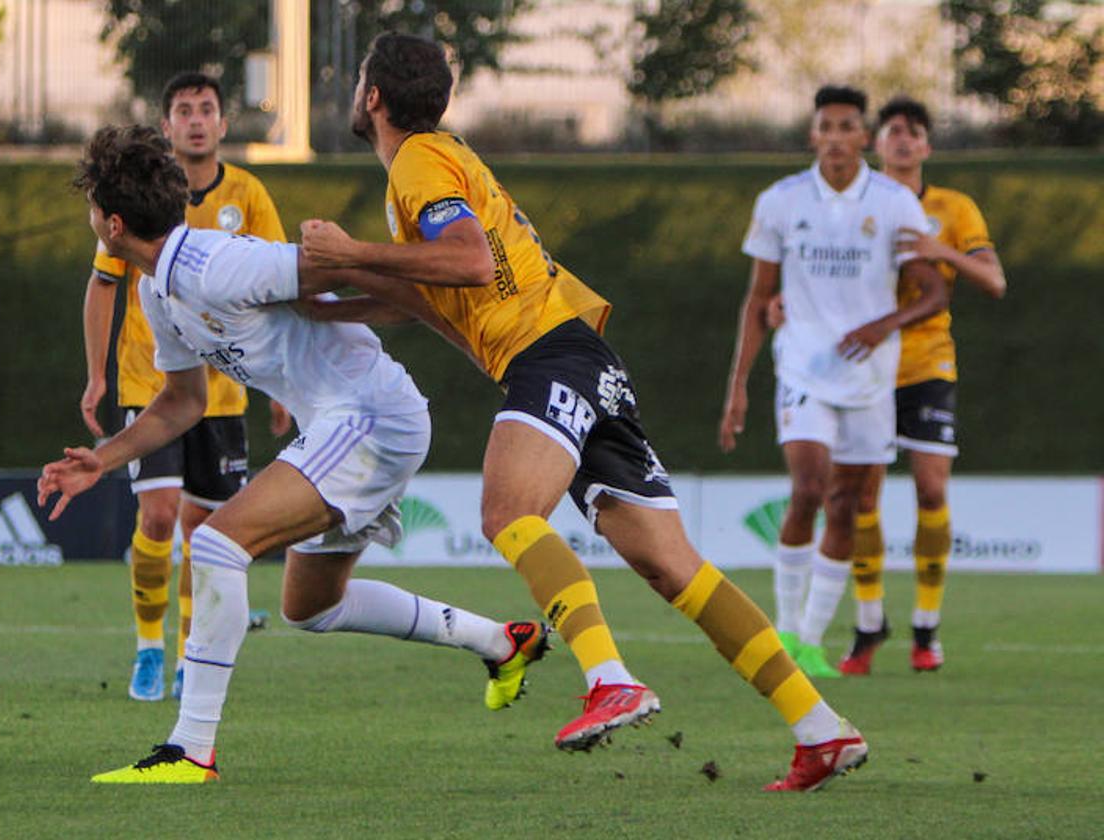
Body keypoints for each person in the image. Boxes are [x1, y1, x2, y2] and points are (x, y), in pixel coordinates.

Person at [298, 32, 867, 791]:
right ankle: (820, 727)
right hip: (577, 359)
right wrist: (326, 303)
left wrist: (349, 252)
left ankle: (609, 680)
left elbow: (466, 260)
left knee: (507, 510)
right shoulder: (439, 161)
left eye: (361, 78)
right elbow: (434, 297)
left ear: (372, 96)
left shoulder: (418, 160)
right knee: (675, 569)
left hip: (551, 357)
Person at [42, 124, 548, 784]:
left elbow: (333, 266)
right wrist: (102, 460)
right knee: (311, 608)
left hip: (370, 413)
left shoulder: (216, 263)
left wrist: (433, 307)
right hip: (347, 420)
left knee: (219, 545)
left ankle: (190, 750)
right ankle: (498, 643)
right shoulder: (156, 290)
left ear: (111, 224)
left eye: (91, 210)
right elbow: (182, 403)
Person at [719, 86, 948, 680]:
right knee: (810, 486)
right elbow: (757, 298)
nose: (838, 136)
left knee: (850, 505)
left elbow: (935, 292)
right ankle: (786, 629)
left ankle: (813, 641)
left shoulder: (896, 203)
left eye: (849, 126)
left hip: (872, 378)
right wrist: (737, 386)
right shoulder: (781, 201)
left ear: (863, 138)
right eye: (828, 126)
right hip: (803, 369)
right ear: (813, 135)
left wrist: (882, 325)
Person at [80, 72, 292, 703]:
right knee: (159, 513)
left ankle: (186, 657)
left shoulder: (249, 194)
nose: (196, 120)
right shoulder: (136, 197)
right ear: (167, 125)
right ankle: (149, 645)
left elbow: (280, 283)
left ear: (224, 124)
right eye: (183, 110)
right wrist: (97, 374)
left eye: (207, 110)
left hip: (224, 394)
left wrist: (281, 382)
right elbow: (103, 284)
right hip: (153, 384)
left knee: (205, 532)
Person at [837, 96, 1006, 675]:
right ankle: (867, 625)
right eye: (892, 132)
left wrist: (940, 249)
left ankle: (927, 628)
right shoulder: (854, 205)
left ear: (927, 146)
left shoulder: (953, 208)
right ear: (876, 144)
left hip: (929, 365)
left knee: (931, 490)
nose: (902, 141)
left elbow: (994, 280)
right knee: (863, 494)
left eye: (912, 132)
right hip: (866, 365)